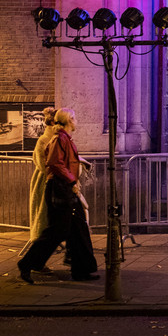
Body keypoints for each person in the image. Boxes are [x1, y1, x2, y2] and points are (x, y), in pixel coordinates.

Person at [17, 108, 98, 283]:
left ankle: (81, 270)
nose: (76, 121)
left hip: (65, 187)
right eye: (74, 118)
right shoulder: (59, 139)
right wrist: (71, 181)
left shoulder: (65, 139)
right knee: (57, 230)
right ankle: (27, 263)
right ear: (69, 120)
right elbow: (54, 163)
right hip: (60, 188)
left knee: (78, 228)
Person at [24, 108, 60, 270]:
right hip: (46, 183)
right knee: (44, 221)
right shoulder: (45, 140)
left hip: (55, 182)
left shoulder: (56, 139)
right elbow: (44, 165)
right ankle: (33, 262)